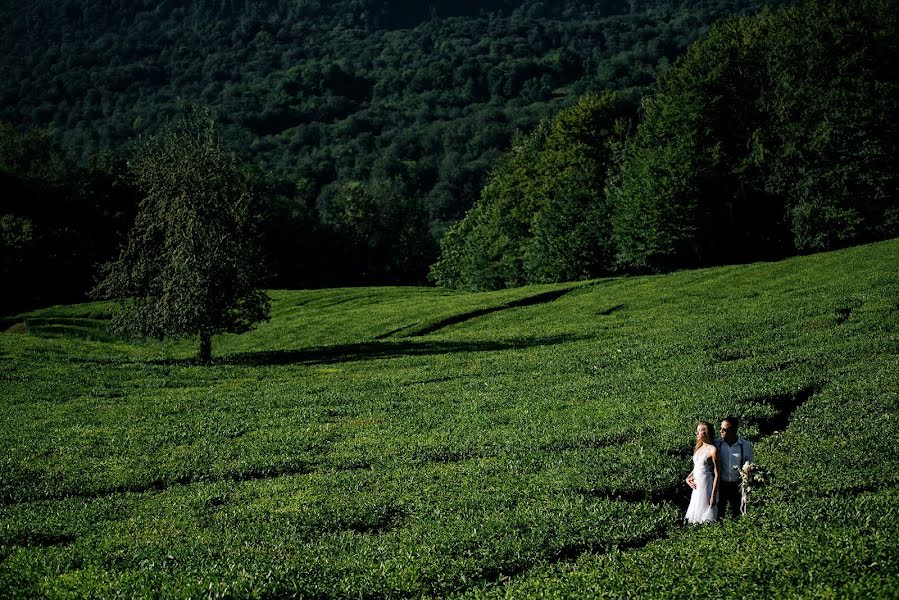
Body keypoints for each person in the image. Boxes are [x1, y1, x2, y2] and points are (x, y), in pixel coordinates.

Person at [716, 416, 753, 518]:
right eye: (720, 428)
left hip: (737, 485)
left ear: (733, 430)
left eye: (724, 429)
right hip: (721, 485)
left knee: (737, 513)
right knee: (719, 514)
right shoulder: (717, 444)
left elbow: (749, 463)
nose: (721, 431)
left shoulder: (745, 445)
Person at [684, 421, 719, 524]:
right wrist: (688, 478)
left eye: (701, 430)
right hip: (697, 485)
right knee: (695, 511)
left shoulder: (713, 450)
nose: (697, 433)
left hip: (706, 484)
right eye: (697, 430)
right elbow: (697, 467)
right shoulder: (698, 448)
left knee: (705, 513)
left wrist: (713, 495)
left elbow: (717, 474)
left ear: (707, 432)